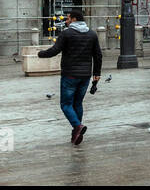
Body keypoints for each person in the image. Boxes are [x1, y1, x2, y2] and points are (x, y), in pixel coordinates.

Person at [37, 9, 102, 145]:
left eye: (67, 19)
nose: (66, 21)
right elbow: (98, 55)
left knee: (66, 104)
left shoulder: (67, 34)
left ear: (73, 19)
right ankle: (76, 133)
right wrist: (97, 74)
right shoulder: (92, 34)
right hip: (85, 76)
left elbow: (54, 50)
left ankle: (77, 126)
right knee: (77, 103)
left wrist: (40, 54)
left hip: (70, 75)